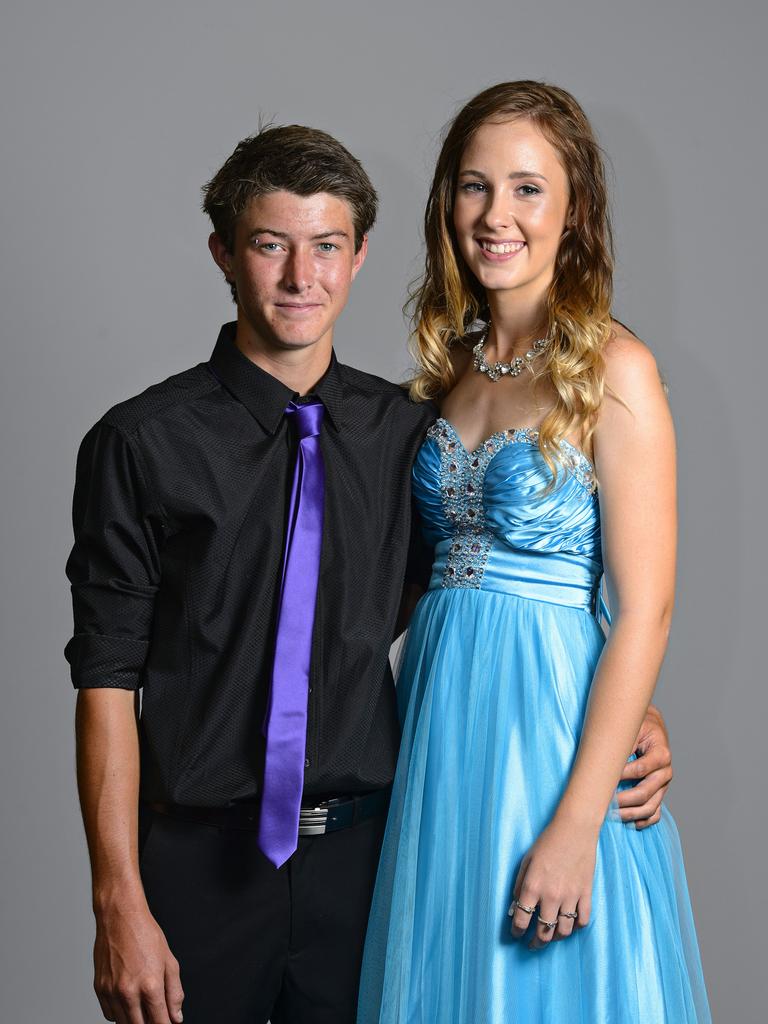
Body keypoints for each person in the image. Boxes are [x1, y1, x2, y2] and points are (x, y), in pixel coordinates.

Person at [65, 123, 674, 1024]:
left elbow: (487, 578)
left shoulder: (403, 432)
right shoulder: (140, 443)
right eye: (270, 245)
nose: (299, 277)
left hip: (372, 860)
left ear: (358, 259)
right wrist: (117, 900)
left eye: (326, 247)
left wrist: (627, 707)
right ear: (224, 254)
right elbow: (106, 677)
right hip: (196, 862)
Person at [357, 82, 711, 1023]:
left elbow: (645, 609)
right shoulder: (443, 374)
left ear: (575, 209)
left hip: (552, 742)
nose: (496, 216)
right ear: (448, 205)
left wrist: (577, 822)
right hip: (439, 725)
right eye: (475, 187)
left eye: (526, 189)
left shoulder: (615, 370)